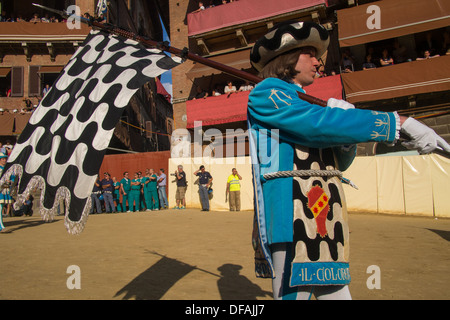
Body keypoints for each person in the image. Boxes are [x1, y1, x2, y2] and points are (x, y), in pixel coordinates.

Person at [248, 21, 450, 300]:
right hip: (290, 215)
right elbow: (315, 126)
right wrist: (397, 123)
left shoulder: (308, 103)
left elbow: (339, 162)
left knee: (338, 293)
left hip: (327, 216)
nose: (319, 62)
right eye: (311, 55)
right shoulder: (266, 93)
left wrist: (345, 138)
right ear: (288, 58)